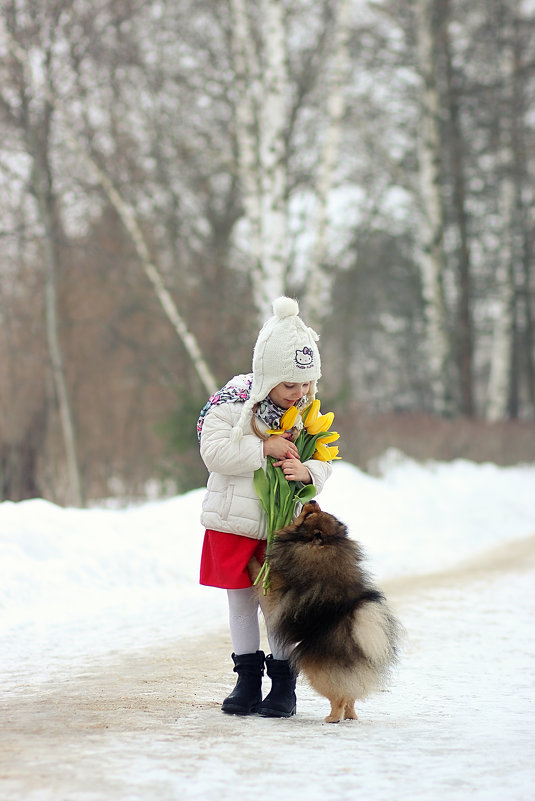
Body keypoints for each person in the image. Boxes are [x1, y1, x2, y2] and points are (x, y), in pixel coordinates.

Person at [196, 296, 333, 718]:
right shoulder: (234, 404)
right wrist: (263, 448)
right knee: (241, 602)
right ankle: (247, 680)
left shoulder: (304, 412)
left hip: (281, 529)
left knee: (277, 603)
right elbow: (214, 453)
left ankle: (284, 684)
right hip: (234, 522)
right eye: (290, 384)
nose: (300, 393)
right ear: (267, 376)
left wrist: (309, 472)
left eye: (306, 384)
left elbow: (324, 460)